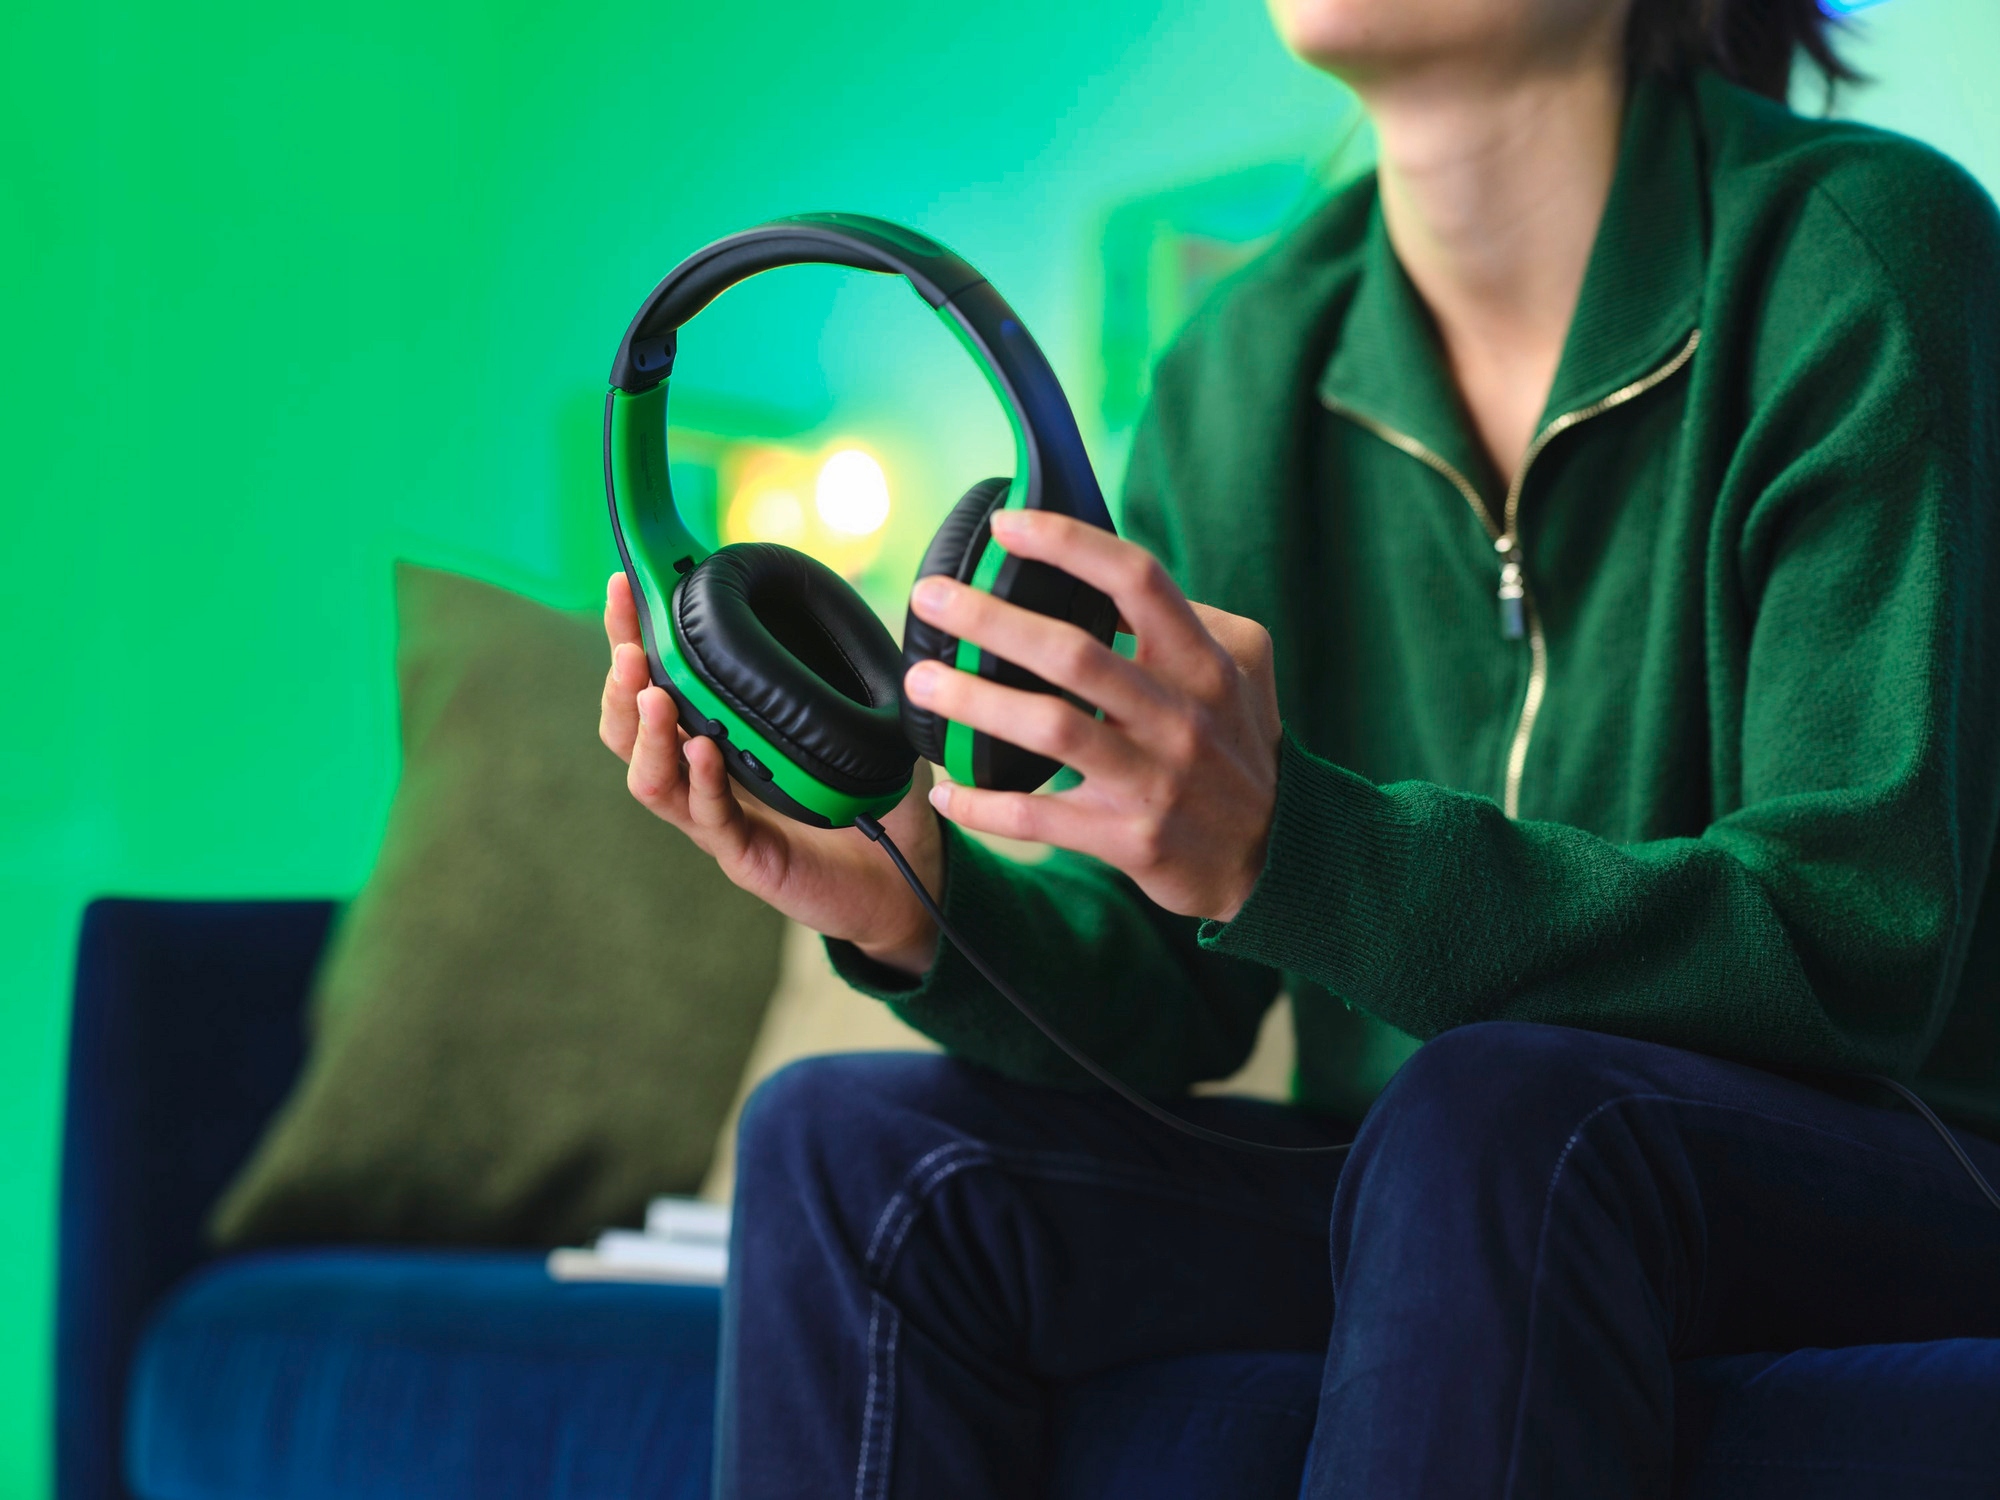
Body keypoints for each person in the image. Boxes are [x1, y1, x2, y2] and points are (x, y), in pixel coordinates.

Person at [599, 0, 2000, 1493]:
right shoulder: (1239, 363)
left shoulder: (1860, 253)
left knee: (1493, 1114)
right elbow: (1174, 994)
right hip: (1432, 1179)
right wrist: (913, 902)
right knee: (847, 1145)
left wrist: (1293, 848)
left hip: (1872, 1162)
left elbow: (1856, 941)